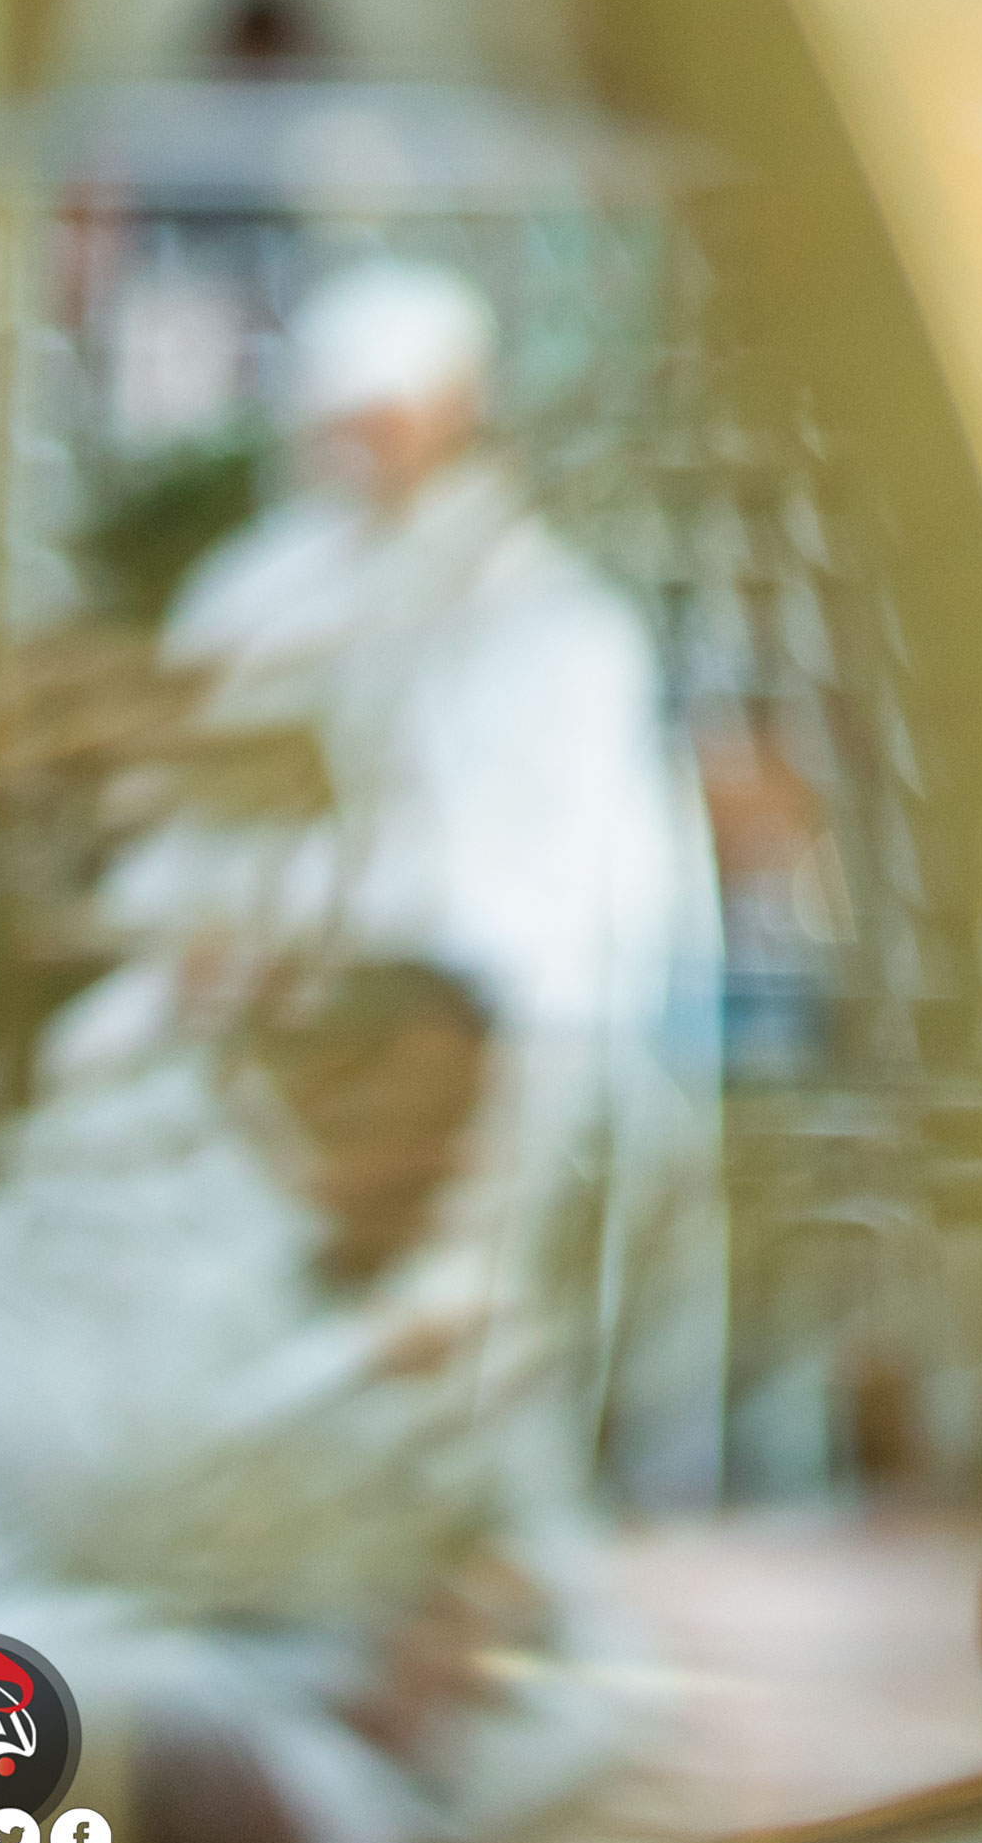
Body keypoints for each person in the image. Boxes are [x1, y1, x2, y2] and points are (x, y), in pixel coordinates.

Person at [0, 958, 637, 1843]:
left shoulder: (457, 1326)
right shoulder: (60, 1276)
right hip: (1, 1751)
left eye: (455, 1123)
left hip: (298, 1781)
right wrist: (362, 1377)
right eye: (385, 1112)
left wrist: (481, 1658)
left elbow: (581, 1643)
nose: (426, 1159)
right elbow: (139, 1521)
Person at [58, 257, 720, 1428]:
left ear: (456, 410)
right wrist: (191, 929)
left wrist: (329, 941)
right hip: (264, 969)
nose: (357, 445)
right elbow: (189, 810)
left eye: (385, 416)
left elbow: (528, 881)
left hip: (477, 995)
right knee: (97, 1074)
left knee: (451, 1163)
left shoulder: (553, 625)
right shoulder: (254, 590)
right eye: (338, 418)